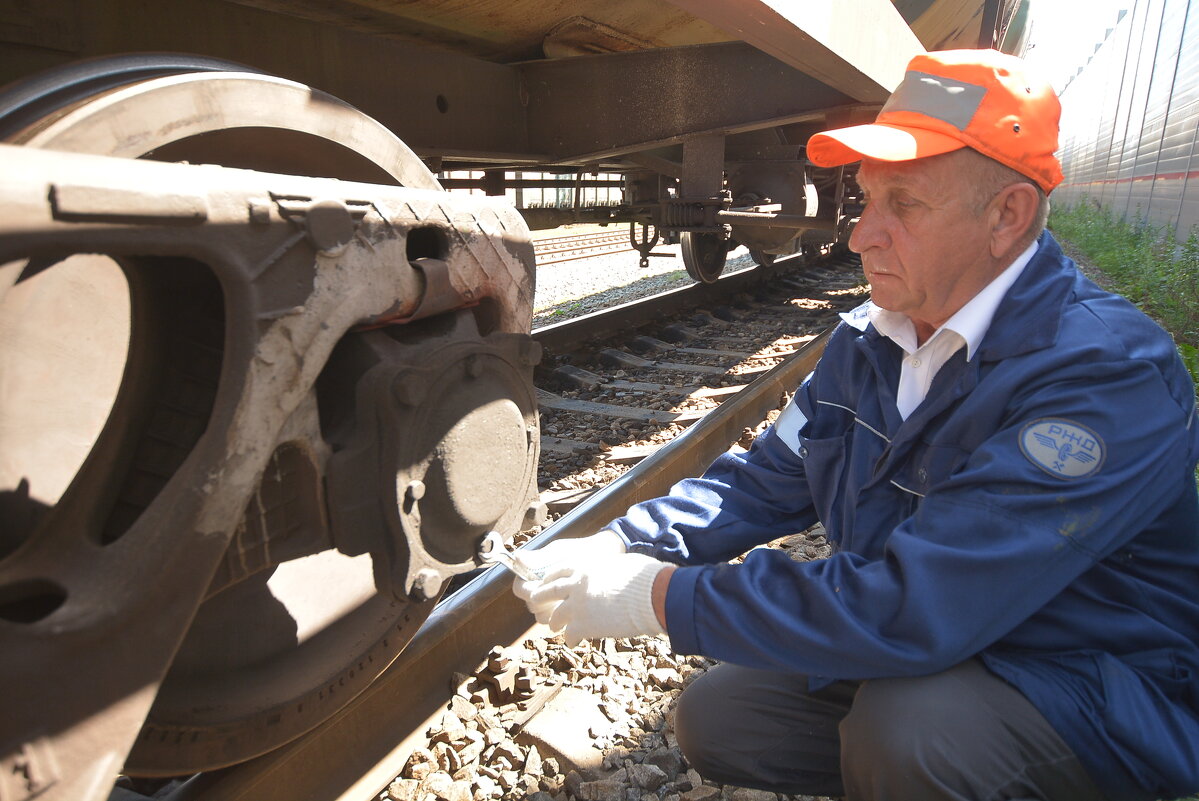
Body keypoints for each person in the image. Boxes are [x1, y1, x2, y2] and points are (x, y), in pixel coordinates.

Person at [512, 49, 1199, 801]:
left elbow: (917, 603)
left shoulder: (1101, 373)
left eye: (902, 205)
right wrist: (625, 542)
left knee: (909, 733)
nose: (859, 236)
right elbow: (757, 485)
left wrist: (656, 596)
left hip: (1088, 682)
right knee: (723, 715)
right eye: (865, 200)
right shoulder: (872, 339)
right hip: (951, 646)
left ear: (1006, 215)